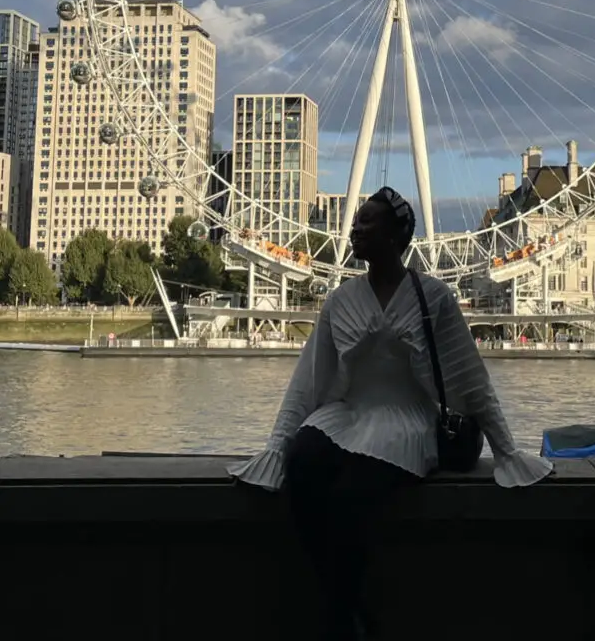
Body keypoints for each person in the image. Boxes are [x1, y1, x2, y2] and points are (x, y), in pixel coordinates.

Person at [229, 187, 552, 639]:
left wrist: (508, 452)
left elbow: (470, 379)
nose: (356, 229)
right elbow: (308, 382)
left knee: (348, 498)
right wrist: (277, 448)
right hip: (348, 414)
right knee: (302, 466)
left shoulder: (432, 297)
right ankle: (345, 607)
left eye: (367, 221)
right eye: (356, 221)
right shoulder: (341, 300)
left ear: (398, 235)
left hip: (408, 420)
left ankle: (343, 617)